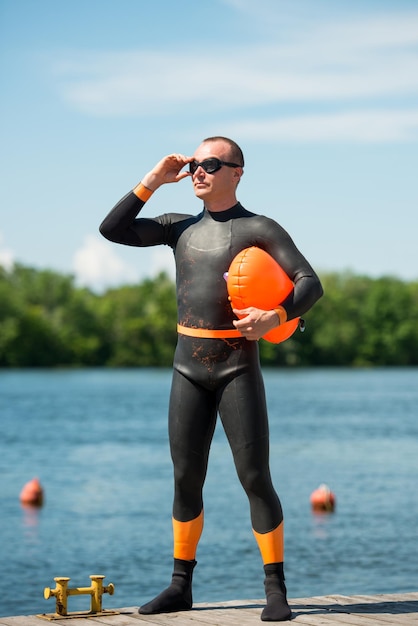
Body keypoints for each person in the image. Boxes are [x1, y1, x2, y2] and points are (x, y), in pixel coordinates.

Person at [100, 136, 323, 622]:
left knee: (254, 478)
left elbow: (311, 283)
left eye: (211, 164)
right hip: (187, 367)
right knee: (185, 478)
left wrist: (275, 315)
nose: (199, 171)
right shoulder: (177, 228)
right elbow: (111, 230)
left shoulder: (258, 228)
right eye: (195, 164)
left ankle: (275, 590)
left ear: (237, 172)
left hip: (237, 364)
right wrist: (154, 181)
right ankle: (180, 587)